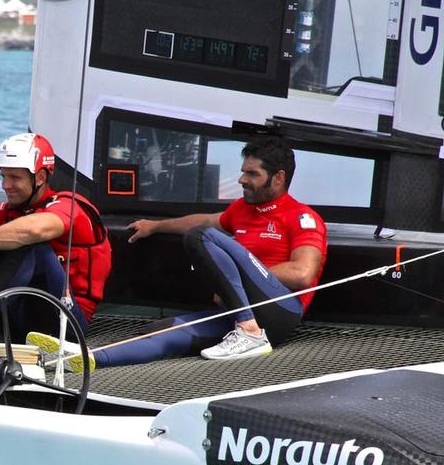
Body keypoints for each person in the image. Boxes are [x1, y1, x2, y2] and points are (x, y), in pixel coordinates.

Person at [34, 136, 327, 372]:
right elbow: (206, 220)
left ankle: (248, 332)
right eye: (242, 172)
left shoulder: (302, 217)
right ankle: (85, 357)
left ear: (278, 178)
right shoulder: (242, 210)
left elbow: (303, 275)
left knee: (201, 237)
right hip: (238, 311)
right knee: (166, 331)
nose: (241, 180)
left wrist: (235, 279)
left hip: (280, 313)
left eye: (252, 174)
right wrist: (157, 225)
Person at [0, 132, 111, 352]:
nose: (5, 185)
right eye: (3, 176)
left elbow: (35, 228)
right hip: (16, 321)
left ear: (41, 178)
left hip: (65, 324)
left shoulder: (69, 205)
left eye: (14, 177)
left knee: (31, 244)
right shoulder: (8, 210)